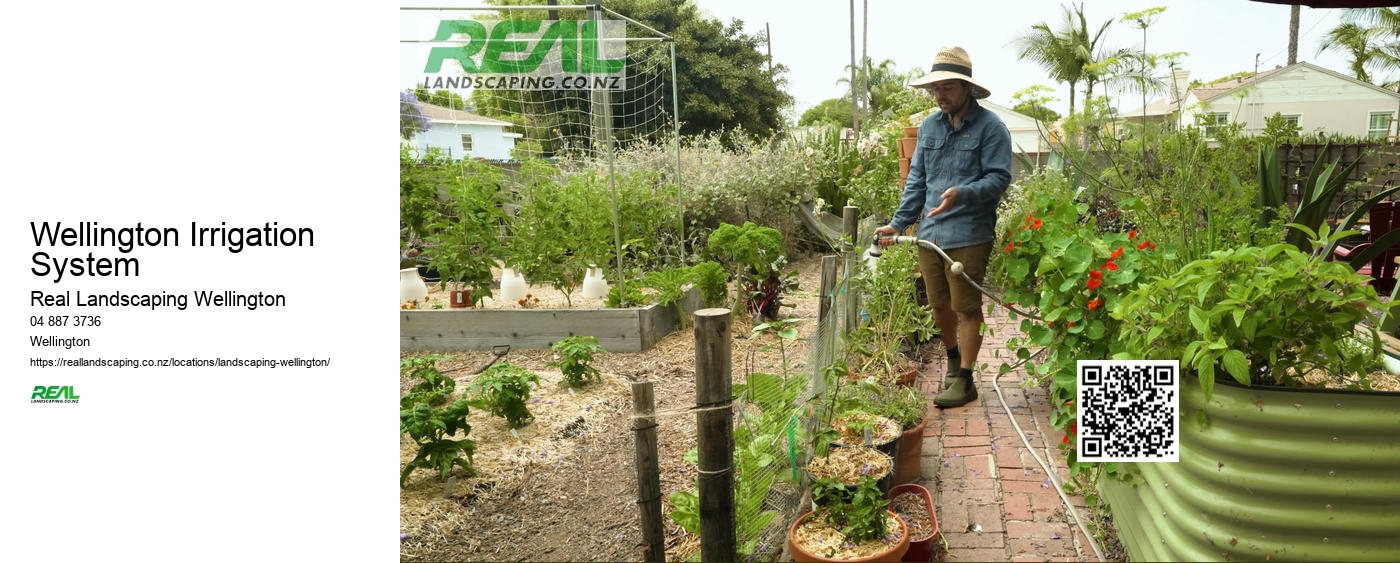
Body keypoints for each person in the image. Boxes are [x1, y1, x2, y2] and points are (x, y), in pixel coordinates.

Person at [873, 46, 1012, 409]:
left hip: (968, 233)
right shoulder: (930, 126)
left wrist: (962, 193)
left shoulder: (992, 128)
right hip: (929, 232)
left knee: (966, 307)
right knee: (939, 307)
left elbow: (999, 178)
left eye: (948, 87)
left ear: (967, 88)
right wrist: (898, 223)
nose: (940, 94)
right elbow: (917, 179)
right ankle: (953, 360)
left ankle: (965, 380)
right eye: (936, 88)